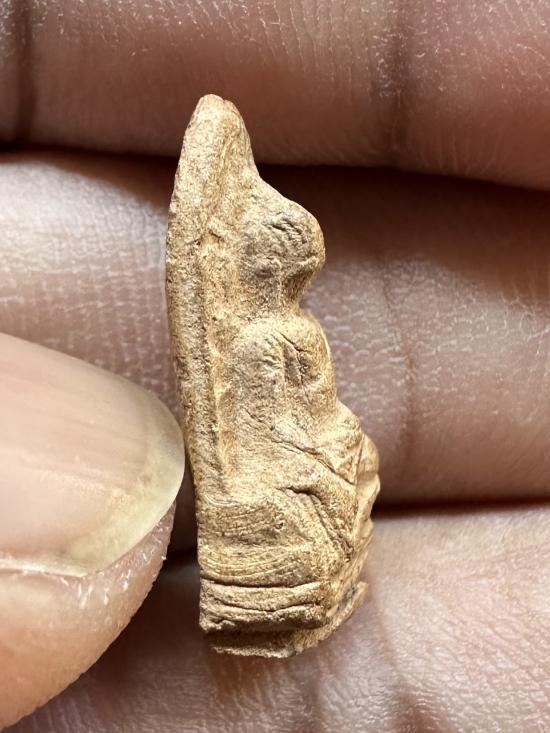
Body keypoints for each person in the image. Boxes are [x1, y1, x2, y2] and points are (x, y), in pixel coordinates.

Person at [1, 1, 550, 730]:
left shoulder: (283, 328)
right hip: (285, 470)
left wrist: (338, 446)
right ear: (269, 264)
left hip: (301, 458)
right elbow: (269, 431)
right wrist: (322, 457)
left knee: (352, 471)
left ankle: (317, 562)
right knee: (325, 492)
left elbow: (311, 412)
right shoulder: (265, 339)